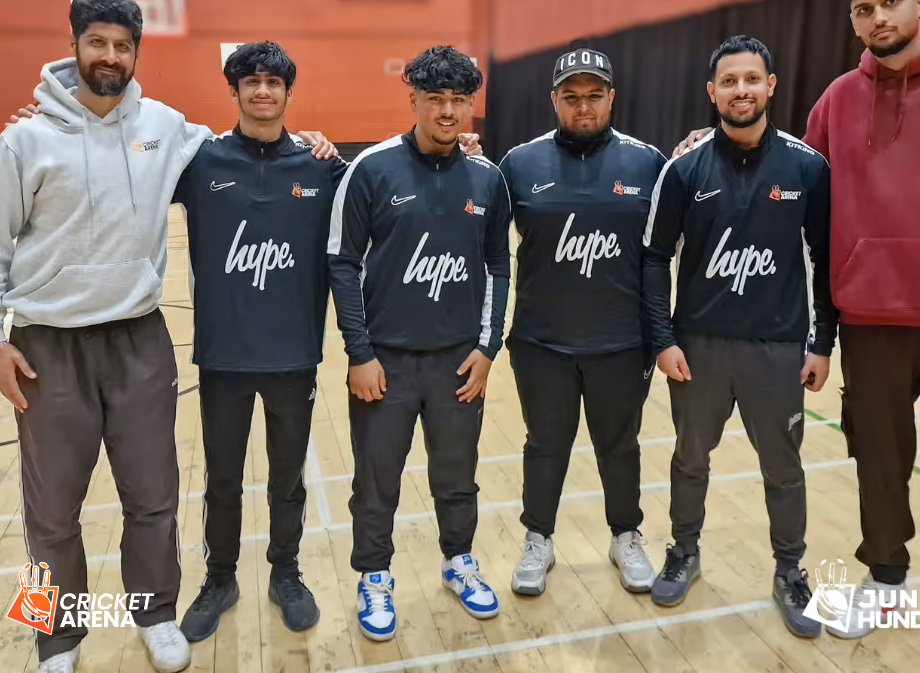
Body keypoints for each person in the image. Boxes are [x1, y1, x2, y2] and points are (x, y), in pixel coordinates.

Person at [0, 0, 335, 673]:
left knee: (154, 498)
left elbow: (253, 151)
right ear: (75, 45)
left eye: (122, 45)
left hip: (140, 338)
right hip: (47, 344)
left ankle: (156, 614)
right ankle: (55, 635)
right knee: (48, 510)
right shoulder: (24, 138)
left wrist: (315, 138)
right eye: (97, 42)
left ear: (137, 53)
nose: (110, 55)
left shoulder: (168, 128)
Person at [672, 0, 920, 672]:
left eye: (891, 2)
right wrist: (706, 150)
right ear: (852, 23)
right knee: (878, 463)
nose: (879, 17)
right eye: (864, 9)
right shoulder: (836, 101)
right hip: (870, 320)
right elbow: (786, 176)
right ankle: (884, 580)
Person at [644, 35, 835, 639]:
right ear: (712, 92)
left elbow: (826, 258)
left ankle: (789, 571)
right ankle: (684, 551)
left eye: (752, 79)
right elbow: (652, 259)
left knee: (783, 468)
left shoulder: (807, 166)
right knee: (690, 459)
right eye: (729, 81)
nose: (741, 90)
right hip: (698, 347)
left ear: (771, 86)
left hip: (778, 352)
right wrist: (662, 340)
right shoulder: (684, 169)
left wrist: (822, 342)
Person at [327, 45, 511, 642]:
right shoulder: (373, 169)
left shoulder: (487, 177)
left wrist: (488, 347)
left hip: (459, 361)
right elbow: (343, 262)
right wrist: (359, 353)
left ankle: (459, 560)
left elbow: (499, 267)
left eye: (460, 100)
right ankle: (374, 576)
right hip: (386, 363)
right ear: (414, 100)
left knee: (457, 476)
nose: (449, 111)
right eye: (436, 99)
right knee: (376, 481)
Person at [169, 41, 341, 641]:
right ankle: (220, 578)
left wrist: (470, 151)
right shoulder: (200, 162)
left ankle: (285, 572)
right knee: (221, 478)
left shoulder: (324, 166)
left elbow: (391, 188)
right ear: (235, 90)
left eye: (273, 82)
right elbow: (122, 169)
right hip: (223, 357)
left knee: (287, 477)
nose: (262, 91)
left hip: (294, 355)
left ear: (289, 93)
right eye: (251, 81)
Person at [496, 46, 664, 596]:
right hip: (541, 341)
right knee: (544, 444)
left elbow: (668, 251)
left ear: (612, 98)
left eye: (594, 95)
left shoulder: (648, 163)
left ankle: (626, 536)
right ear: (554, 101)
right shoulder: (518, 164)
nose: (583, 106)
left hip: (621, 341)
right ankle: (538, 540)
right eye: (571, 97)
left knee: (621, 444)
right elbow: (490, 248)